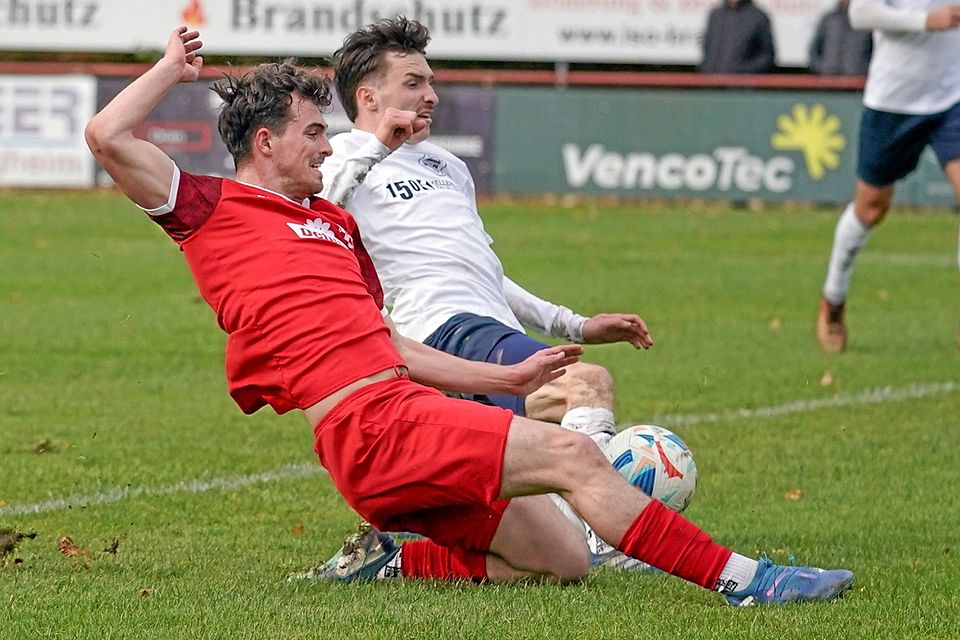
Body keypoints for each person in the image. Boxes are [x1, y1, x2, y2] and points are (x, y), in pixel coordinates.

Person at [86, 25, 855, 605]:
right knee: (576, 458)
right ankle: (751, 581)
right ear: (264, 141)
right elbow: (106, 134)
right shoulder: (211, 209)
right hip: (374, 424)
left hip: (387, 421)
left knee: (566, 561)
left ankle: (393, 558)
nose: (326, 147)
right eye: (314, 133)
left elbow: (388, 340)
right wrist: (170, 68)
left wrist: (507, 372)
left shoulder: (336, 225)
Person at [316, 16, 651, 572]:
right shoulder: (341, 158)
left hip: (488, 332)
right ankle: (605, 538)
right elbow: (316, 209)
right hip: (437, 332)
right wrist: (378, 143)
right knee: (585, 386)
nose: (432, 95)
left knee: (533, 546)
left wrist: (575, 324)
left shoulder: (446, 165)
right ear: (368, 96)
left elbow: (483, 271)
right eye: (414, 83)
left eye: (431, 82)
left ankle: (394, 564)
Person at [816, 0, 960, 352]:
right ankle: (833, 300)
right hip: (893, 101)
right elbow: (860, 13)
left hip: (952, 97)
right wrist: (927, 20)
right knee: (870, 209)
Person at [700, 0, 777, 74]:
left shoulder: (758, 17)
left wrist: (742, 71)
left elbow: (766, 56)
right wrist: (707, 67)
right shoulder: (716, 15)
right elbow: (707, 47)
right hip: (711, 83)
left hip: (742, 84)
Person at [809, 0, 873, 76]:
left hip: (857, 81)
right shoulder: (829, 19)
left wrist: (863, 70)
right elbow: (814, 50)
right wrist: (823, 68)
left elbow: (873, 51)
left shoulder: (867, 21)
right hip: (828, 79)